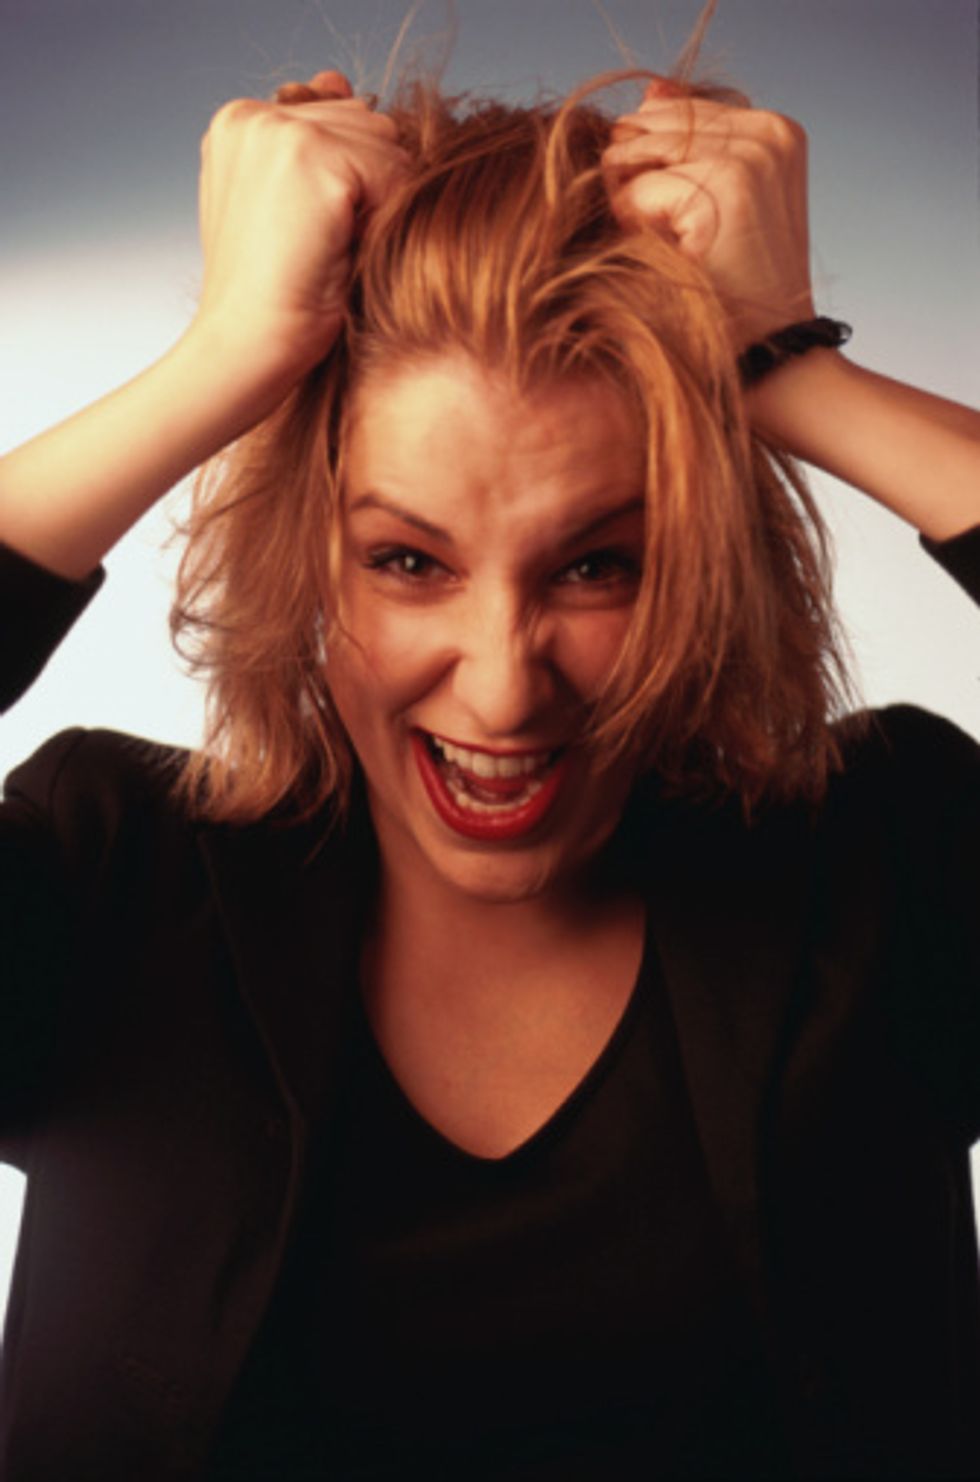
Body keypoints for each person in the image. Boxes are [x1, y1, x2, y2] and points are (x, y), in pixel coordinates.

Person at [0, 37, 978, 1482]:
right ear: (308, 558)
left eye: (598, 564)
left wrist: (789, 366)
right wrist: (226, 359)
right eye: (408, 560)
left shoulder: (894, 870)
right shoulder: (104, 887)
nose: (506, 685)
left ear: (699, 565)